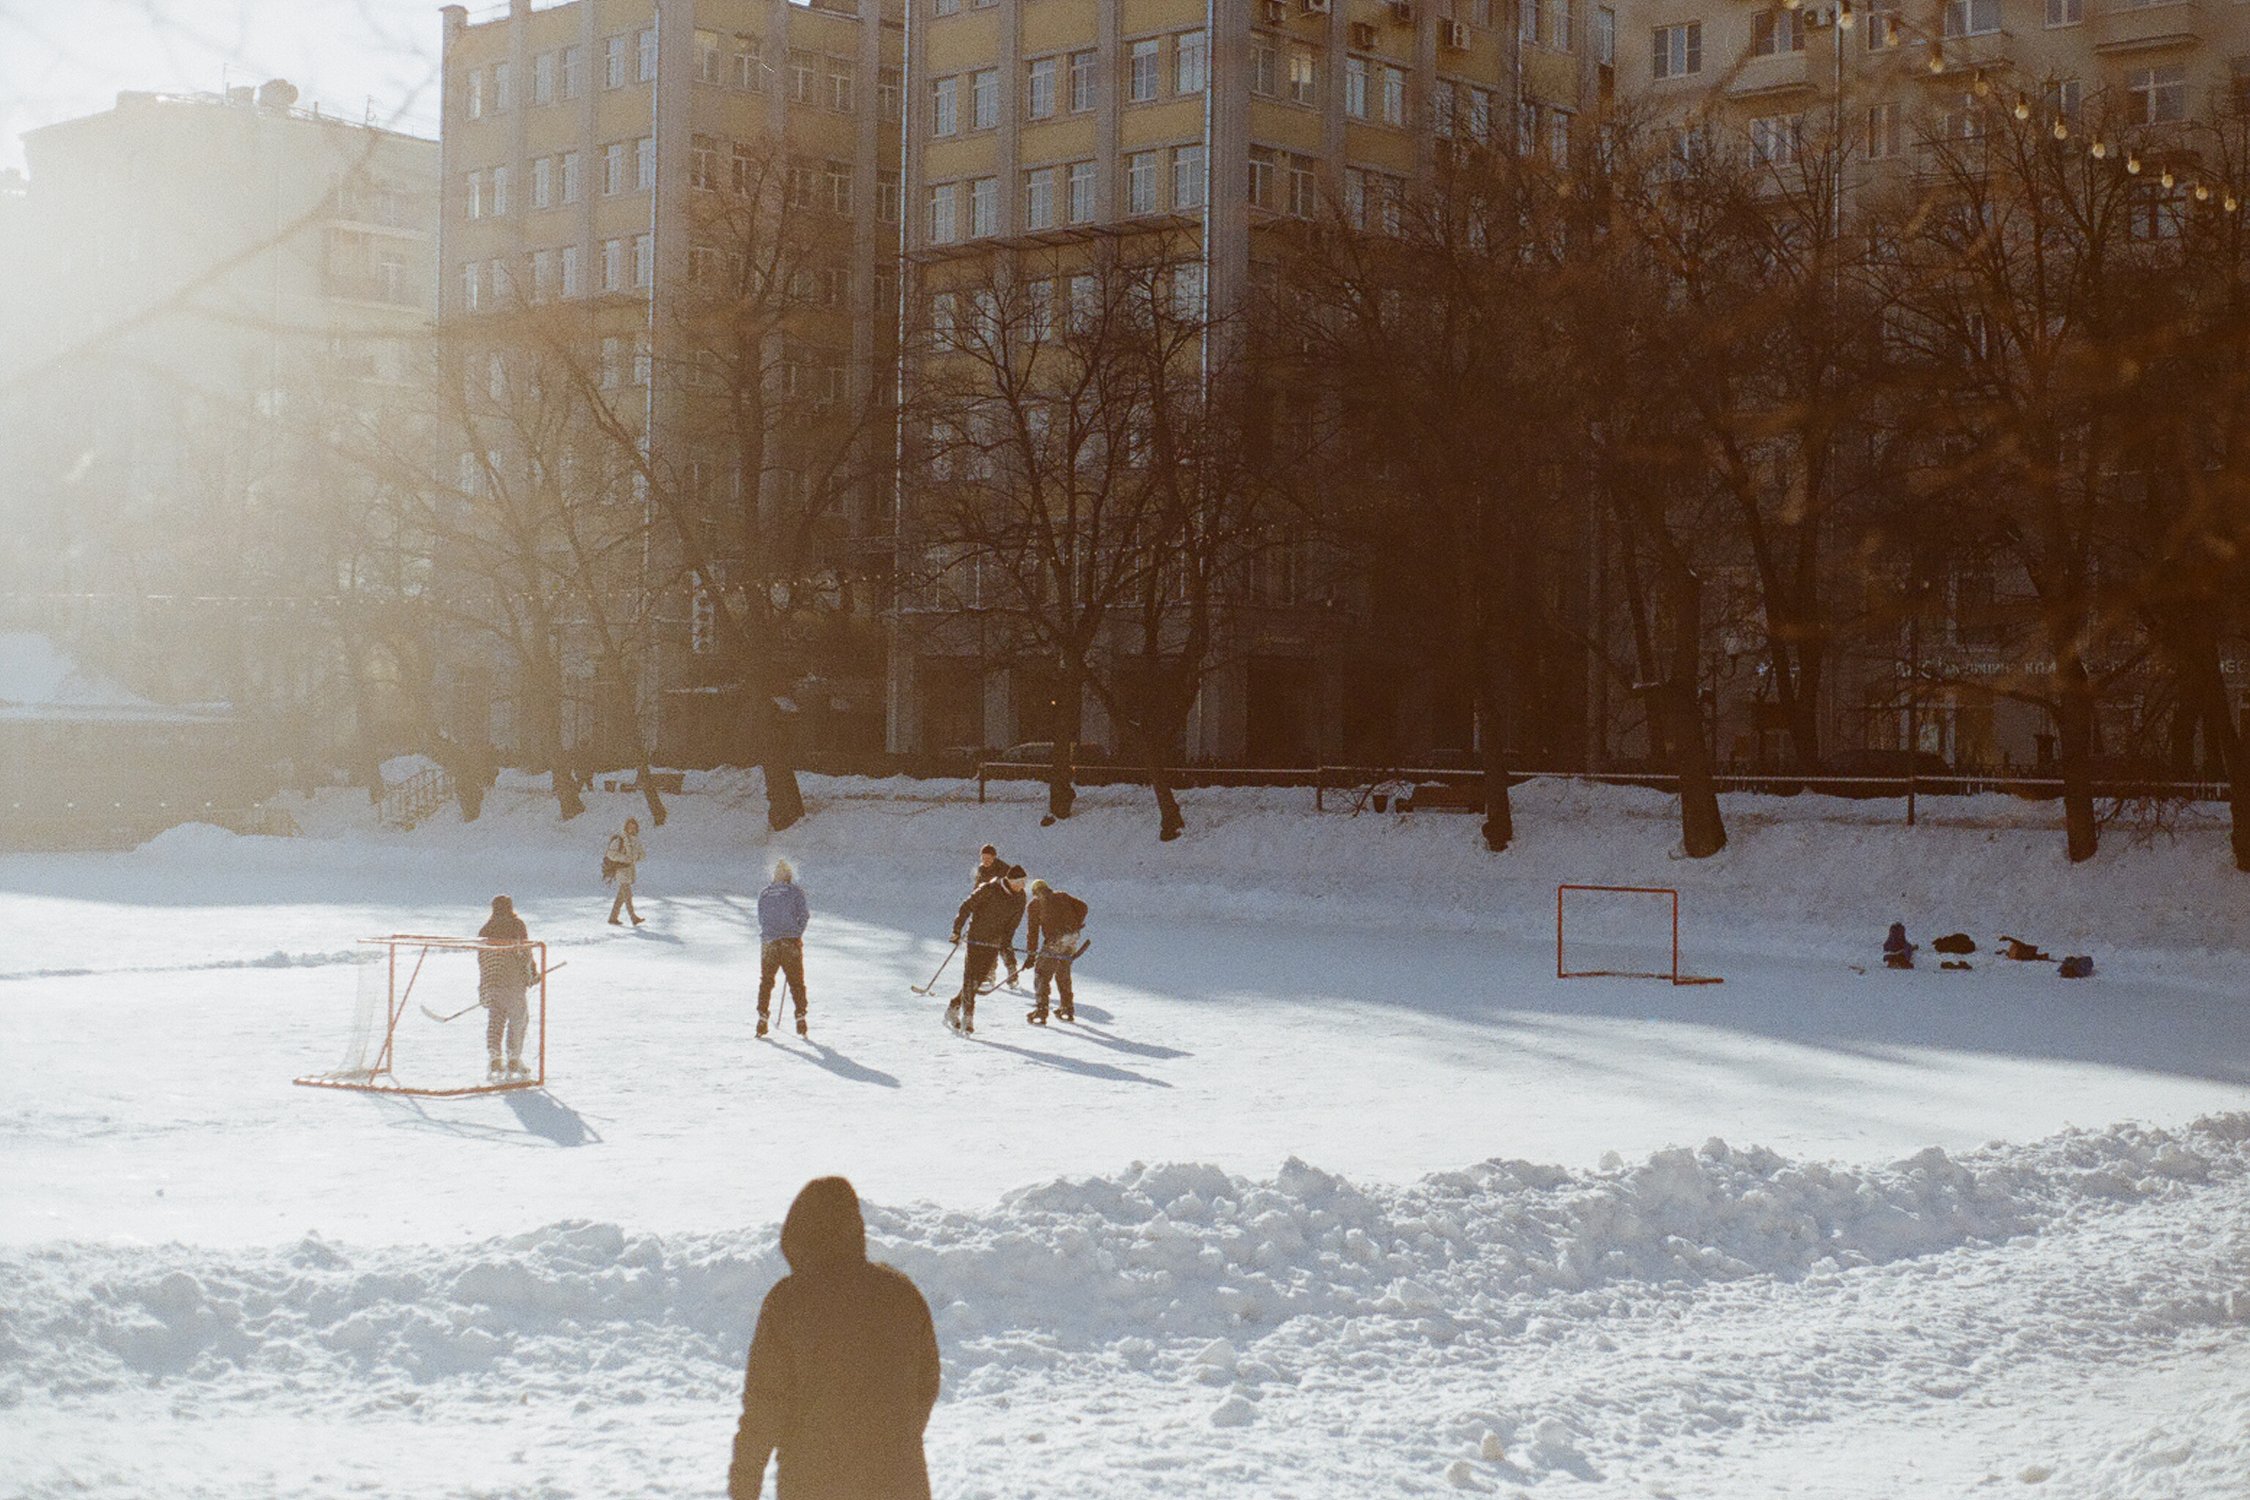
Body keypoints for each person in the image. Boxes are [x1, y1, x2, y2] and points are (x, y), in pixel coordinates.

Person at [729, 1177, 940, 1500]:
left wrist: (744, 1484)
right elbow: (925, 1385)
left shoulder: (788, 1302)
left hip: (814, 1483)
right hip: (899, 1482)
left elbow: (765, 1405)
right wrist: (892, 1439)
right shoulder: (901, 1295)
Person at [947, 864, 1027, 1035]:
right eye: (1019, 882)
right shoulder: (989, 888)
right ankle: (968, 1017)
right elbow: (966, 907)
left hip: (993, 942)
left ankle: (954, 1005)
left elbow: (1012, 925)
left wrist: (1005, 943)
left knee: (979, 979)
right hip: (977, 939)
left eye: (1024, 882)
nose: (1022, 886)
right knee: (971, 977)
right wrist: (956, 930)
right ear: (1010, 880)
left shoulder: (1020, 898)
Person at [477, 895, 539, 1078]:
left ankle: (495, 1056)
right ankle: (513, 1058)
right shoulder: (516, 925)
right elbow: (525, 953)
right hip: (512, 982)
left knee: (496, 1018)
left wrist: (485, 984)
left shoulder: (485, 928)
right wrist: (532, 976)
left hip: (491, 981)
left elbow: (482, 959)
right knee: (518, 1019)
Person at [756, 859, 811, 1038]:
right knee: (796, 982)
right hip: (790, 942)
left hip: (769, 943)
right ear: (789, 876)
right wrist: (796, 933)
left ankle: (762, 1018)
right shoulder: (795, 892)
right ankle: (800, 1017)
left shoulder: (764, 893)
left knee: (766, 981)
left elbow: (761, 917)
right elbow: (804, 915)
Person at [1022, 878, 1089, 1026]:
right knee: (1062, 971)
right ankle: (1067, 1008)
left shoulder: (1034, 905)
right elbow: (1083, 906)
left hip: (1056, 940)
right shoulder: (1062, 895)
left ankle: (1041, 1011)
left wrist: (1031, 955)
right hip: (1072, 938)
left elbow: (1033, 932)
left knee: (1041, 973)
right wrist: (1076, 923)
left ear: (1034, 893)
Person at [969, 843, 1018, 984]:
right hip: (986, 913)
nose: (986, 861)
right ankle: (989, 974)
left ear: (994, 857)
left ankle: (1012, 972)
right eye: (983, 857)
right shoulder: (981, 869)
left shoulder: (1004, 870)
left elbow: (1013, 892)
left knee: (1003, 942)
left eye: (988, 858)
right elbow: (977, 889)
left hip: (1003, 912)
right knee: (988, 943)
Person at [605, 817, 646, 926]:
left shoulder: (636, 840)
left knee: (621, 897)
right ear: (626, 827)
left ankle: (612, 918)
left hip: (630, 870)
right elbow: (610, 854)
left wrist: (636, 857)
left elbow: (642, 855)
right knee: (628, 895)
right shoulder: (620, 839)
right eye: (629, 827)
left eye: (634, 827)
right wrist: (624, 858)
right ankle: (633, 917)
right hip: (621, 870)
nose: (631, 829)